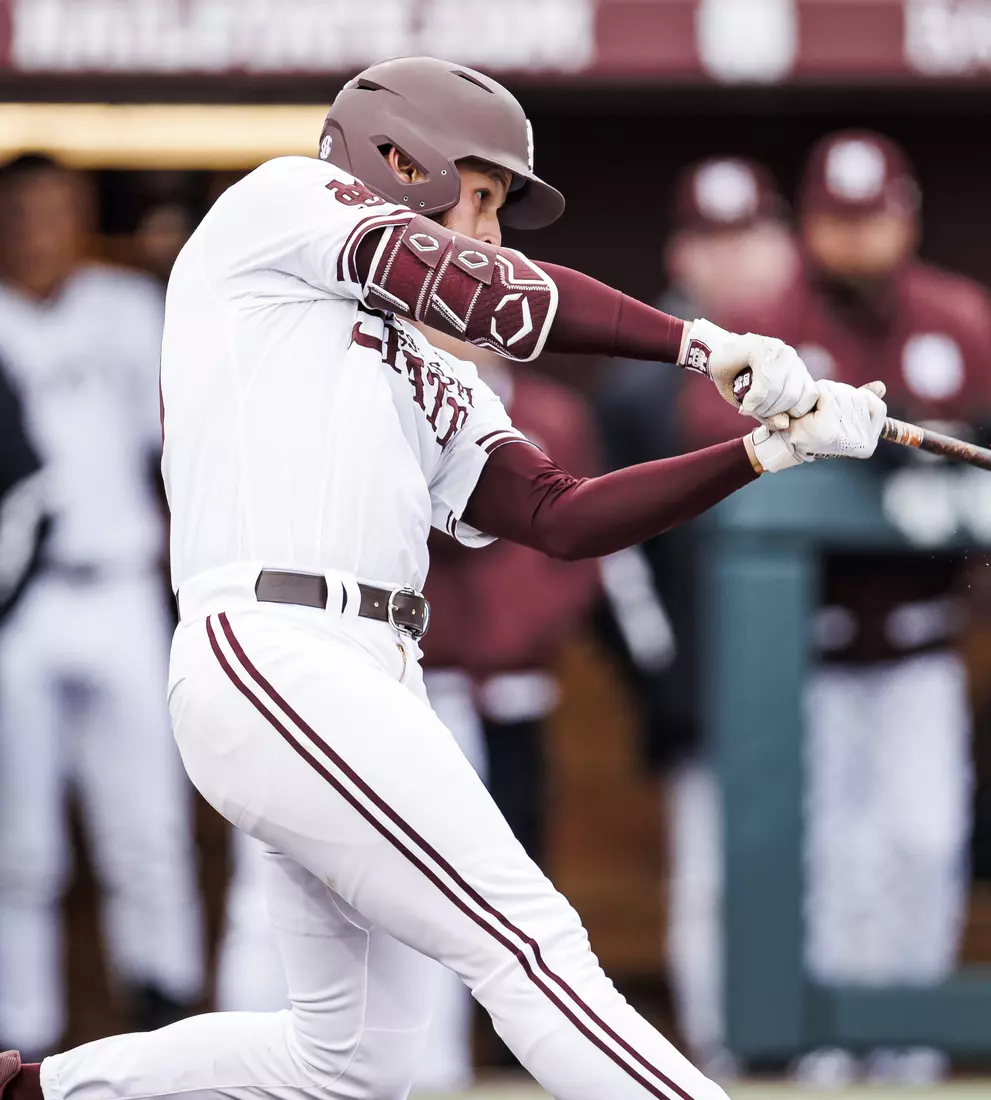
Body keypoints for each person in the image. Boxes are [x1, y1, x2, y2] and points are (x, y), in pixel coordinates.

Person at [0, 54, 884, 1100]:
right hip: (274, 642)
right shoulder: (279, 206)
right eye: (484, 196)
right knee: (531, 943)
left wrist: (756, 454)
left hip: (367, 669)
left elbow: (558, 511)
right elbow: (473, 285)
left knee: (349, 1060)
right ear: (395, 159)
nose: (493, 231)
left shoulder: (416, 361)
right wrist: (700, 341)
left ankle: (33, 1089)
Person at [683, 129, 991, 1087]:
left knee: (923, 842)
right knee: (829, 855)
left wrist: (943, 441)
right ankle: (826, 1041)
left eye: (873, 214)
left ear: (906, 214)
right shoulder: (763, 319)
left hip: (921, 638)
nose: (857, 236)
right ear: (808, 225)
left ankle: (907, 1040)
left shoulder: (954, 312)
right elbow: (701, 437)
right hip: (798, 643)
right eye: (837, 219)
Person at [213, 338, 604, 1091]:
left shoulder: (530, 408)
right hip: (281, 659)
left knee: (450, 919)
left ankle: (434, 1080)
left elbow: (551, 537)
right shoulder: (328, 385)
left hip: (417, 679)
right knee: (272, 914)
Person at [593, 156, 797, 1081]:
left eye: (749, 235)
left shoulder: (815, 354)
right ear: (682, 253)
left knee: (826, 866)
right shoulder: (640, 385)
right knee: (711, 878)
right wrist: (662, 674)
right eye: (714, 240)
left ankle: (830, 1054)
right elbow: (611, 553)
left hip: (817, 666)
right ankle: (722, 1056)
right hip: (704, 670)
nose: (736, 259)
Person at [0, 154, 205, 1059]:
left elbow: (181, 454)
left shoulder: (126, 308)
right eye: (22, 210)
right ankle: (20, 1039)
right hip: (17, 605)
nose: (39, 226)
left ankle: (167, 1027)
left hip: (118, 583)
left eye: (55, 209)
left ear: (80, 214)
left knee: (148, 829)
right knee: (18, 845)